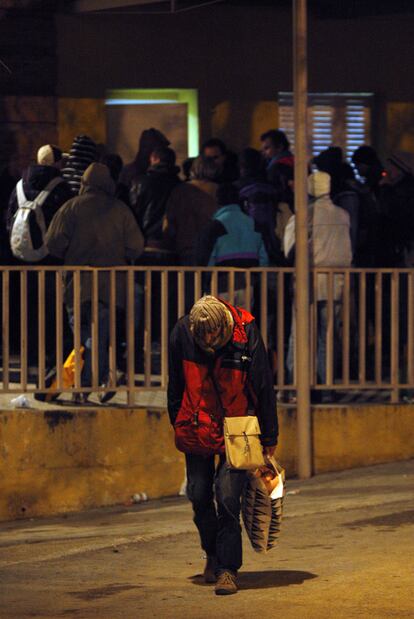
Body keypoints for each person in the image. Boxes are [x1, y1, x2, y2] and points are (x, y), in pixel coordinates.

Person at [167, 295, 278, 595]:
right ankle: (212, 554)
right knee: (199, 494)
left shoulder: (246, 331)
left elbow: (263, 384)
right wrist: (177, 422)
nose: (208, 343)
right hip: (196, 425)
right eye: (201, 338)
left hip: (237, 426)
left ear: (224, 328)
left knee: (228, 497)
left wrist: (269, 437)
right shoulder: (182, 333)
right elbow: (175, 383)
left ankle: (227, 570)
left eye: (213, 337)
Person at [45, 162, 144, 401]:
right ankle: (97, 380)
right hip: (112, 286)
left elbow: (53, 243)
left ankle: (86, 385)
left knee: (84, 336)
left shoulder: (70, 208)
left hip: (77, 286)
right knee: (99, 335)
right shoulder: (120, 210)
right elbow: (136, 246)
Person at [284, 170, 352, 401]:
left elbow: (288, 251)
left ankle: (297, 386)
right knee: (328, 335)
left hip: (308, 283)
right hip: (336, 284)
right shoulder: (343, 215)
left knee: (300, 335)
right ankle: (326, 387)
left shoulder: (304, 215)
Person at [195, 183, 268, 306]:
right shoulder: (253, 224)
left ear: (217, 201)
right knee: (242, 322)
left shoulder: (215, 226)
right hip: (248, 282)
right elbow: (263, 259)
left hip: (221, 283)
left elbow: (206, 260)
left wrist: (205, 282)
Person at [260, 129, 294, 206]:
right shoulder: (298, 162)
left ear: (279, 147)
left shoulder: (276, 167)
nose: (264, 153)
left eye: (267, 148)